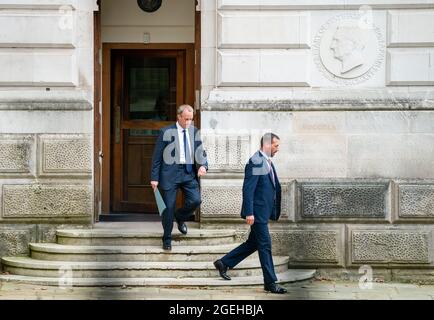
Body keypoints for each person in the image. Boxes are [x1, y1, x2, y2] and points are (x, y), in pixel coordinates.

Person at [213, 133, 287, 294]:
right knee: (265, 245)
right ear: (267, 145)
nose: (278, 149)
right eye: (276, 146)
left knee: (253, 243)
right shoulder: (255, 161)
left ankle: (224, 263)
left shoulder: (266, 161)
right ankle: (270, 282)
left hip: (264, 212)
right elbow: (248, 189)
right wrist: (249, 212)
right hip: (257, 213)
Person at [150, 104, 208, 251]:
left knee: (196, 200)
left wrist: (203, 165)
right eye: (186, 119)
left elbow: (200, 152)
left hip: (188, 173)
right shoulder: (166, 132)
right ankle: (167, 239)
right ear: (179, 117)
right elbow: (156, 158)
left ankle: (180, 217)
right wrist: (154, 177)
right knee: (168, 208)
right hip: (169, 174)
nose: (188, 122)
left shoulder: (194, 131)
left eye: (191, 119)